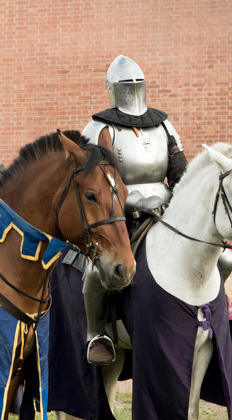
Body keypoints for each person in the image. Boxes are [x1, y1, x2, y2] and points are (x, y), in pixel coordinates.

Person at [78, 55, 189, 364]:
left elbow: (180, 171)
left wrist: (179, 202)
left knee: (218, 256)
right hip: (120, 212)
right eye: (126, 84)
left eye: (135, 84)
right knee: (96, 270)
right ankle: (95, 335)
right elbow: (97, 184)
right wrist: (138, 202)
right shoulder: (100, 128)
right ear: (113, 89)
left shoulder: (163, 124)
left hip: (167, 210)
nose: (131, 89)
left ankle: (207, 320)